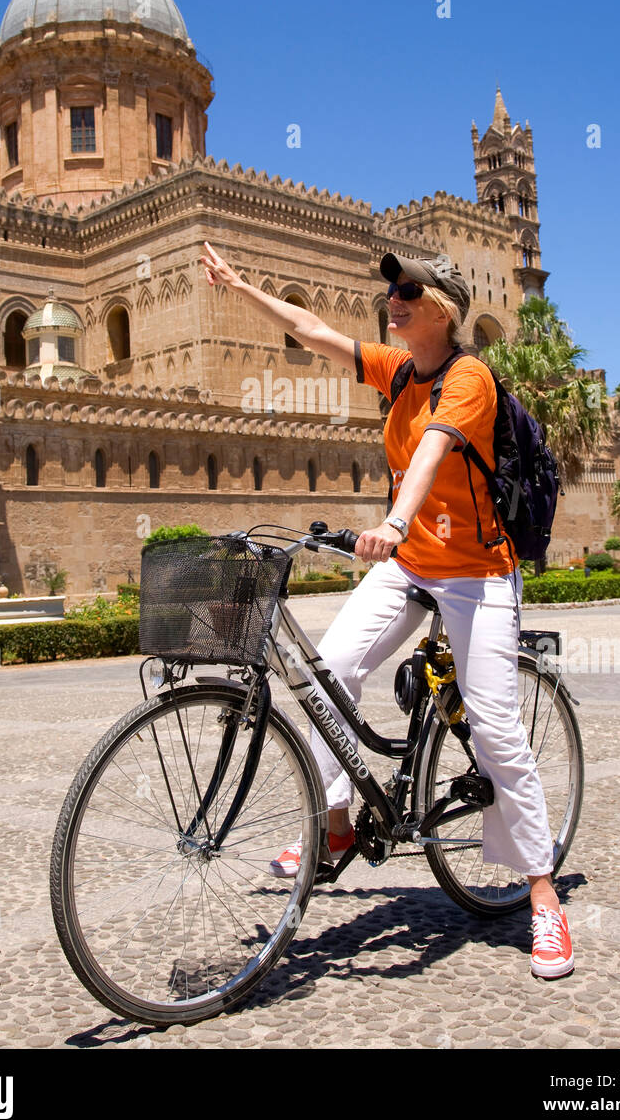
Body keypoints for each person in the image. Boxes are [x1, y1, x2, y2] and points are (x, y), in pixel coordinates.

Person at [200, 241, 574, 980]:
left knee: (497, 727)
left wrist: (396, 522)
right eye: (392, 291)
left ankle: (542, 895)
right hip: (410, 566)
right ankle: (336, 823)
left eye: (407, 291)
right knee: (329, 670)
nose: (393, 299)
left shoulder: (468, 379)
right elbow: (316, 333)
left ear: (441, 309)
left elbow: (434, 451)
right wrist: (241, 286)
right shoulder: (399, 370)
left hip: (477, 573)